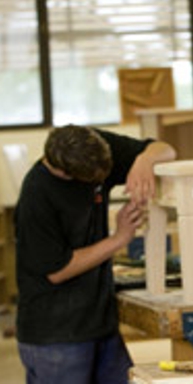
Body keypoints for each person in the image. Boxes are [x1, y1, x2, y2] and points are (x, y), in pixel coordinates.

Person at [14, 125, 177, 384]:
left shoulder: (94, 147)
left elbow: (166, 150)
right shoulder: (37, 194)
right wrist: (119, 238)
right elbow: (57, 270)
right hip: (56, 336)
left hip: (101, 325)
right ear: (67, 173)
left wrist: (144, 160)